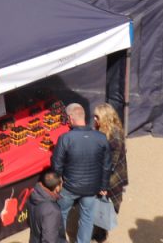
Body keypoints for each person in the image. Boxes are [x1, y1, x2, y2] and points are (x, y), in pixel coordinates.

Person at [50, 103, 111, 243]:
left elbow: (56, 164)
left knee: (61, 215)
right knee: (87, 218)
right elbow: (107, 165)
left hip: (69, 187)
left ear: (71, 118)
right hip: (92, 188)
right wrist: (104, 186)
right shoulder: (101, 138)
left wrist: (59, 181)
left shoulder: (65, 138)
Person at [91, 103, 127, 242]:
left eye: (97, 116)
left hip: (111, 178)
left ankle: (100, 234)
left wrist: (103, 185)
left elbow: (110, 164)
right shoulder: (101, 131)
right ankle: (98, 231)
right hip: (104, 174)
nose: (94, 119)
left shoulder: (114, 137)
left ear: (105, 118)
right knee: (99, 204)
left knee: (105, 205)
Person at [28, 170, 65, 243]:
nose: (63, 184)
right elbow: (49, 240)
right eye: (61, 183)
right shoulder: (52, 210)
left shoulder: (34, 195)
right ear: (57, 188)